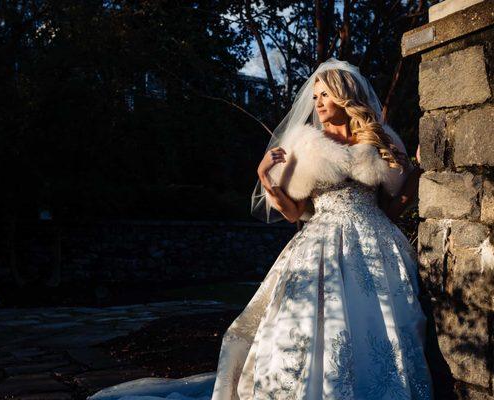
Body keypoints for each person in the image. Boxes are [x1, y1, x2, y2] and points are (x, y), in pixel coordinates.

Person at [87, 58, 434, 400]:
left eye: (325, 95)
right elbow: (294, 212)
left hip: (375, 245)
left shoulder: (379, 141)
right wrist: (265, 177)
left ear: (345, 96)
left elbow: (392, 208)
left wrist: (416, 172)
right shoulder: (307, 145)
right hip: (320, 245)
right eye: (315, 98)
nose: (318, 104)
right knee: (310, 326)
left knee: (380, 327)